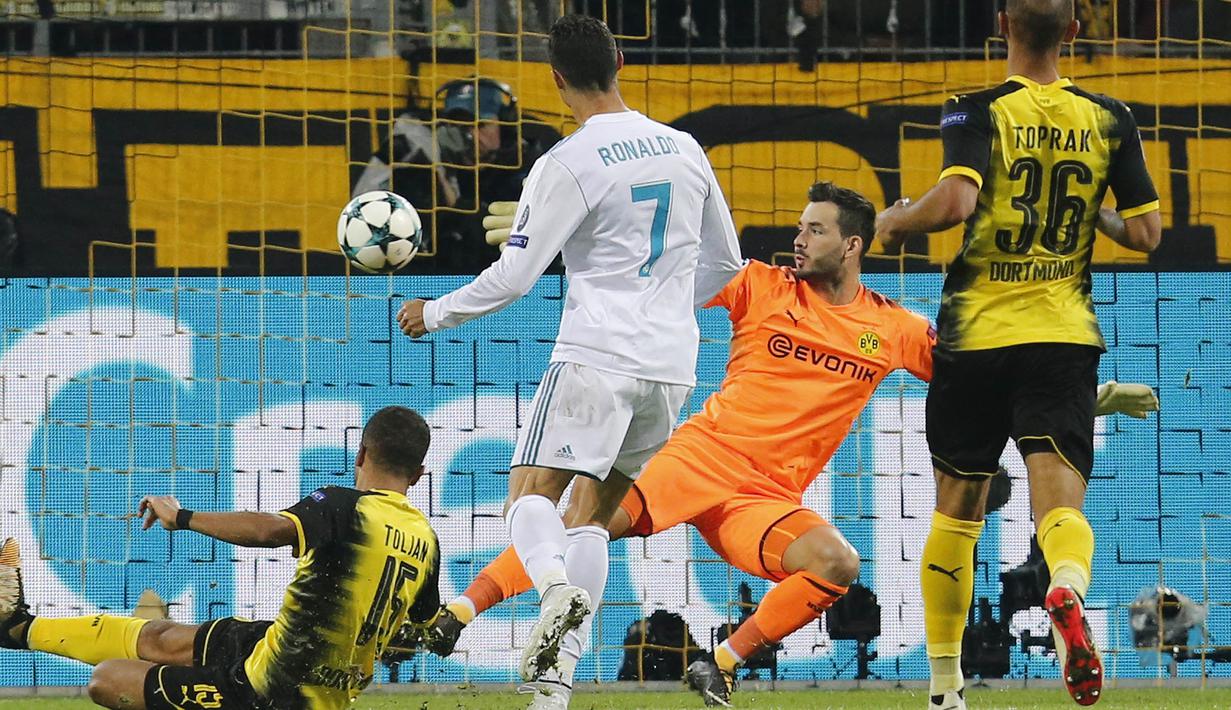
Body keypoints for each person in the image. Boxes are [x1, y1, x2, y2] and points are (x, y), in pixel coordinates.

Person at [404, 183, 1159, 709]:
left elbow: (986, 380)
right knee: (586, 522)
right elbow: (656, 273)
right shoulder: (759, 285)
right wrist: (558, 239)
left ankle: (720, 663)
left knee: (837, 565)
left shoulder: (893, 327)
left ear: (853, 245)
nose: (798, 239)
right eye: (799, 228)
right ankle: (460, 613)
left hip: (766, 499)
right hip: (697, 456)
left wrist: (1088, 398)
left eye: (815, 230)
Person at [396, 12, 744, 700]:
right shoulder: (684, 148)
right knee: (591, 519)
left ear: (556, 80)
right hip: (672, 365)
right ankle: (553, 691)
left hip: (596, 354)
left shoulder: (567, 162)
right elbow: (726, 263)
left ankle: (555, 590)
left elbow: (515, 278)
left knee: (528, 497)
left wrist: (433, 312)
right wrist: (664, 305)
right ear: (620, 64)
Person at [874, 0, 1162, 707]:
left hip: (974, 334)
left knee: (956, 511)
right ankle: (1066, 587)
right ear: (1073, 32)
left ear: (1001, 25)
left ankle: (945, 688)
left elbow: (954, 203)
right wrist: (1093, 209)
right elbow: (1146, 234)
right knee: (1057, 507)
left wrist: (896, 223)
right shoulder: (1111, 118)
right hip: (1061, 335)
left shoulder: (974, 109)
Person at [0, 406, 441, 710]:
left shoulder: (345, 506)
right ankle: (18, 628)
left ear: (361, 453)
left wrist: (183, 517)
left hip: (270, 695)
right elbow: (409, 641)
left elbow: (270, 530)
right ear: (419, 475)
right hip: (282, 650)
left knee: (108, 679)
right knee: (162, 638)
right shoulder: (427, 541)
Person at [353, 77, 551, 273]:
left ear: (505, 126)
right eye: (460, 126)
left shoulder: (527, 166)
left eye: (481, 125)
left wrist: (457, 206)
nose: (470, 135)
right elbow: (363, 208)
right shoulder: (431, 165)